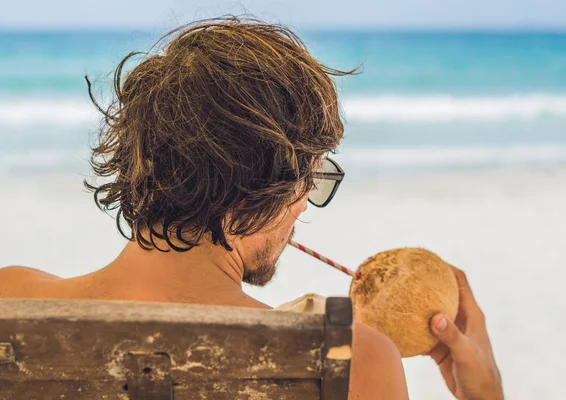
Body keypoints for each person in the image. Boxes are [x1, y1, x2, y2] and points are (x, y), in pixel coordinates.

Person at [0, 17, 503, 399]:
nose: (304, 205)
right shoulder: (353, 358)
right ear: (253, 199)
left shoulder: (12, 297)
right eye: (309, 180)